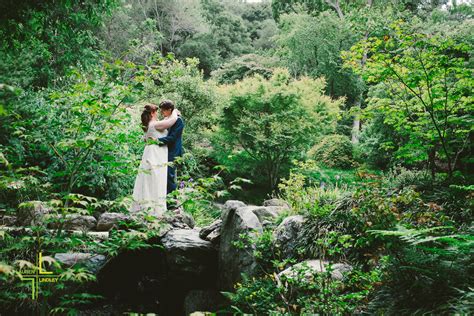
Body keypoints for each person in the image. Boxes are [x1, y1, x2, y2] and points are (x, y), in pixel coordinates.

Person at [130, 103, 180, 217]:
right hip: (155, 154)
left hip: (152, 152)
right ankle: (155, 209)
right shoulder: (154, 124)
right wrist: (175, 112)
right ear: (152, 113)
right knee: (155, 179)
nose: (158, 114)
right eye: (156, 112)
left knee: (149, 179)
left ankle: (146, 207)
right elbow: (171, 121)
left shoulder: (149, 125)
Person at [154, 100, 185, 196]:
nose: (162, 113)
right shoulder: (169, 119)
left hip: (174, 152)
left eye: (163, 110)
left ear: (169, 109)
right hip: (166, 150)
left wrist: (156, 141)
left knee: (169, 176)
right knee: (165, 175)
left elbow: (172, 138)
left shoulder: (178, 120)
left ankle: (172, 202)